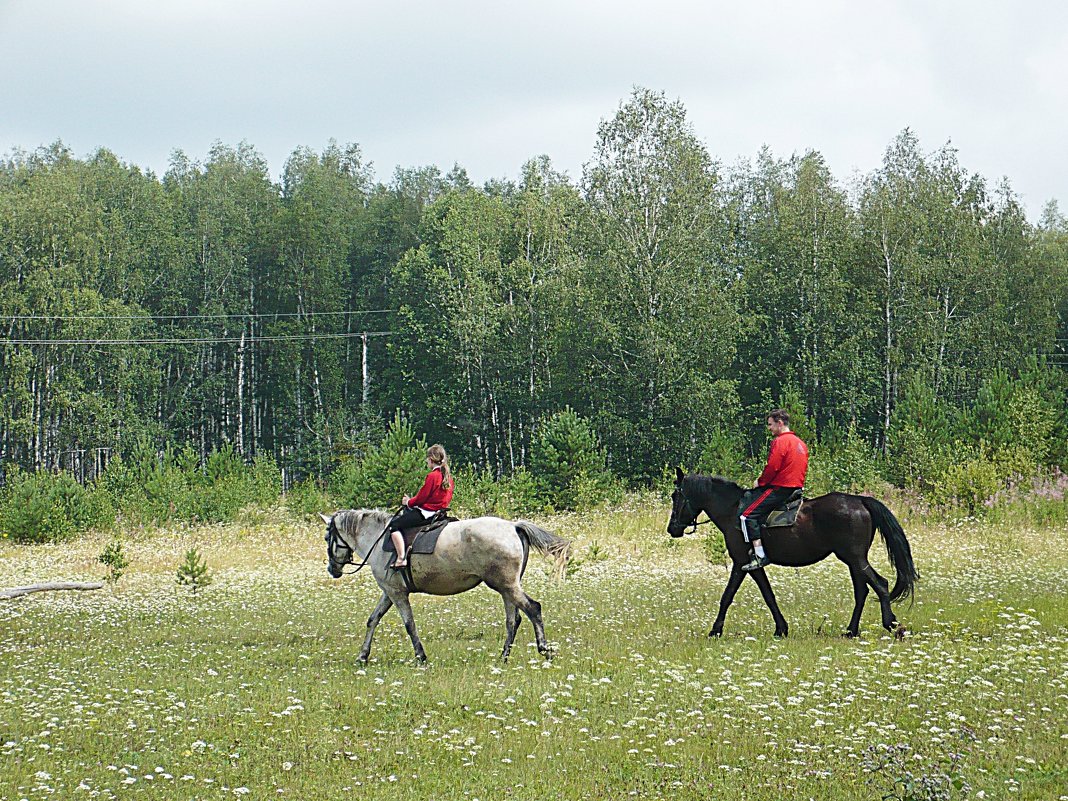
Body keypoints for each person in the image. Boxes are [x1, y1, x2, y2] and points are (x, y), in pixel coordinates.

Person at [739, 409, 808, 572]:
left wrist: (760, 482)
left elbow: (773, 467)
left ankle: (759, 555)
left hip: (780, 489)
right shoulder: (800, 443)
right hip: (796, 488)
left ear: (780, 423)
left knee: (746, 516)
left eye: (770, 424)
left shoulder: (780, 441)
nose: (769, 428)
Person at [387, 444, 454, 569]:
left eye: (427, 459)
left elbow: (422, 498)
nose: (426, 461)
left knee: (394, 525)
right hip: (440, 512)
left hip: (427, 512)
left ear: (430, 459)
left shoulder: (432, 476)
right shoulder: (448, 477)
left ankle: (401, 558)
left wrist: (408, 502)